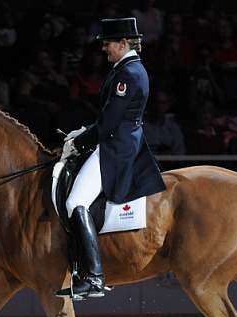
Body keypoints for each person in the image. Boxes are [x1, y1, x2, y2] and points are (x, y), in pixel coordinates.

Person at [56, 17, 166, 300]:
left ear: (123, 43)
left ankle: (93, 277)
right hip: (114, 141)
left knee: (75, 202)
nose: (104, 49)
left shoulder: (129, 73)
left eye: (107, 44)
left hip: (116, 149)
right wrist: (84, 133)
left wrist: (78, 143)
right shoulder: (126, 68)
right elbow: (106, 119)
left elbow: (109, 123)